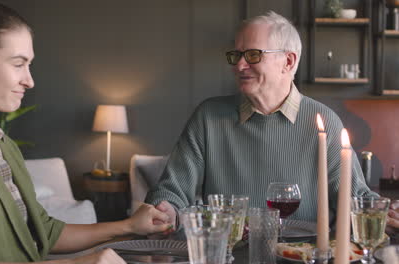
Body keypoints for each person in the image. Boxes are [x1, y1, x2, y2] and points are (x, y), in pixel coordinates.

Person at [0, 3, 170, 264]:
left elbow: (42, 231)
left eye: (29, 65)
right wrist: (82, 263)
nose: (29, 80)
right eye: (19, 64)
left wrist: (128, 227)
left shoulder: (3, 145)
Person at [145, 11, 393, 229]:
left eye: (252, 55)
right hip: (230, 257)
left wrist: (385, 212)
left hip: (302, 258)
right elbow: (171, 190)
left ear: (288, 61)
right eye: (237, 55)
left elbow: (356, 197)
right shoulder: (209, 117)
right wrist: (164, 210)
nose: (239, 65)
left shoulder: (324, 121)